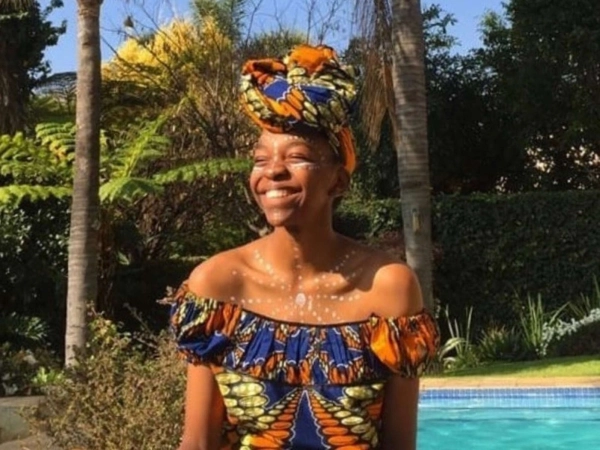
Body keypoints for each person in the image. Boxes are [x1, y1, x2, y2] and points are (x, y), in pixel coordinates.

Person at [165, 44, 440, 450]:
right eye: (260, 160)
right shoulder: (218, 286)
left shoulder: (388, 288)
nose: (274, 171)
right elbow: (198, 443)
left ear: (338, 181)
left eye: (297, 157)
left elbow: (399, 444)